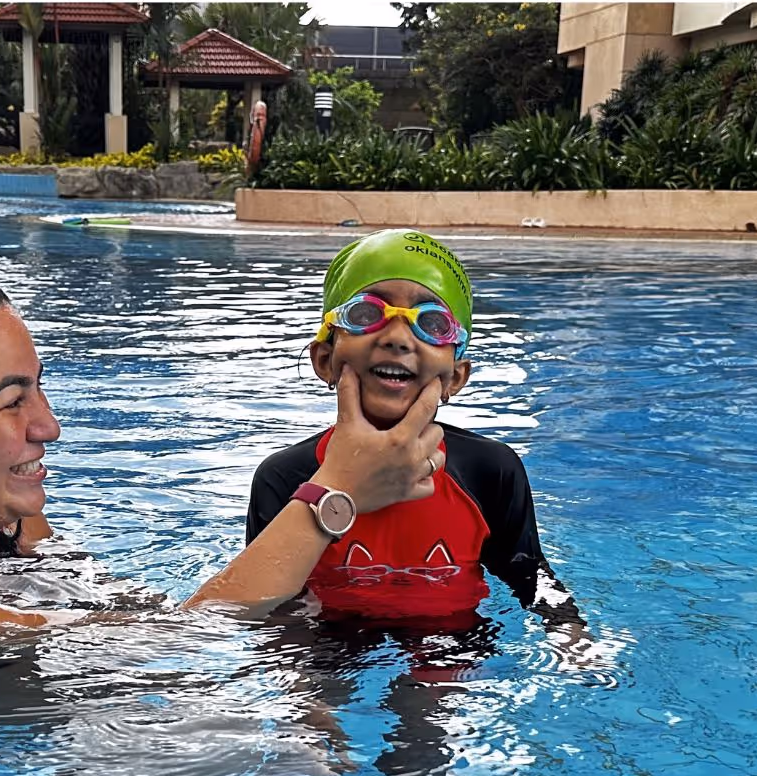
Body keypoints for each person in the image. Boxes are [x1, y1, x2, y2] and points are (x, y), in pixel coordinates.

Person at [0, 256, 445, 637]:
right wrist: (333, 495)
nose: (48, 426)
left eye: (39, 391)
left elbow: (136, 614)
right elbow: (176, 653)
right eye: (12, 400)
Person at [245, 229, 583, 635]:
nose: (397, 338)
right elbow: (268, 600)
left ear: (456, 376)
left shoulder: (490, 470)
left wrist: (573, 638)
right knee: (313, 695)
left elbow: (529, 574)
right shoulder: (285, 477)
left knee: (425, 698)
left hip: (449, 635)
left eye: (433, 323)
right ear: (324, 360)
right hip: (328, 635)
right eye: (367, 315)